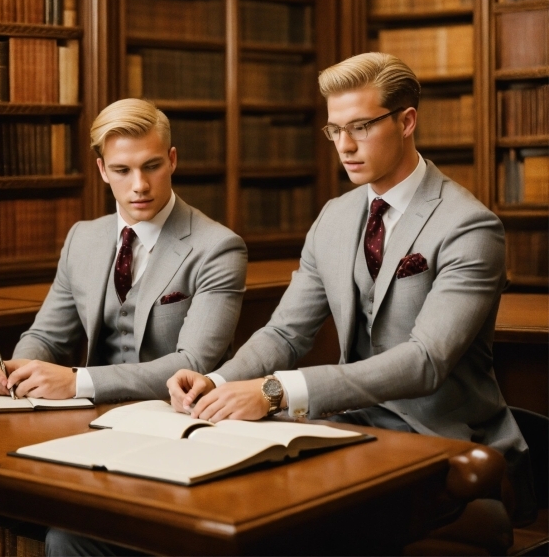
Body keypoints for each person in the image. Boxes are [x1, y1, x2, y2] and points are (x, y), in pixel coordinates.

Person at [168, 52, 535, 532]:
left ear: (407, 121)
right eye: (334, 130)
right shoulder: (334, 218)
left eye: (360, 127)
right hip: (347, 430)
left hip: (443, 440)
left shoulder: (469, 227)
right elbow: (284, 333)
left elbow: (425, 360)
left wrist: (276, 392)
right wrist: (217, 382)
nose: (344, 146)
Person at [0, 98, 247, 405]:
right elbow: (46, 338)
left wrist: (77, 381)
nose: (139, 185)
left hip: (178, 417)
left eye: (152, 166)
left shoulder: (218, 247)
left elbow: (192, 363)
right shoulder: (82, 238)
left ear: (172, 160)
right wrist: (18, 372)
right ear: (103, 170)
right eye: (121, 170)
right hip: (89, 416)